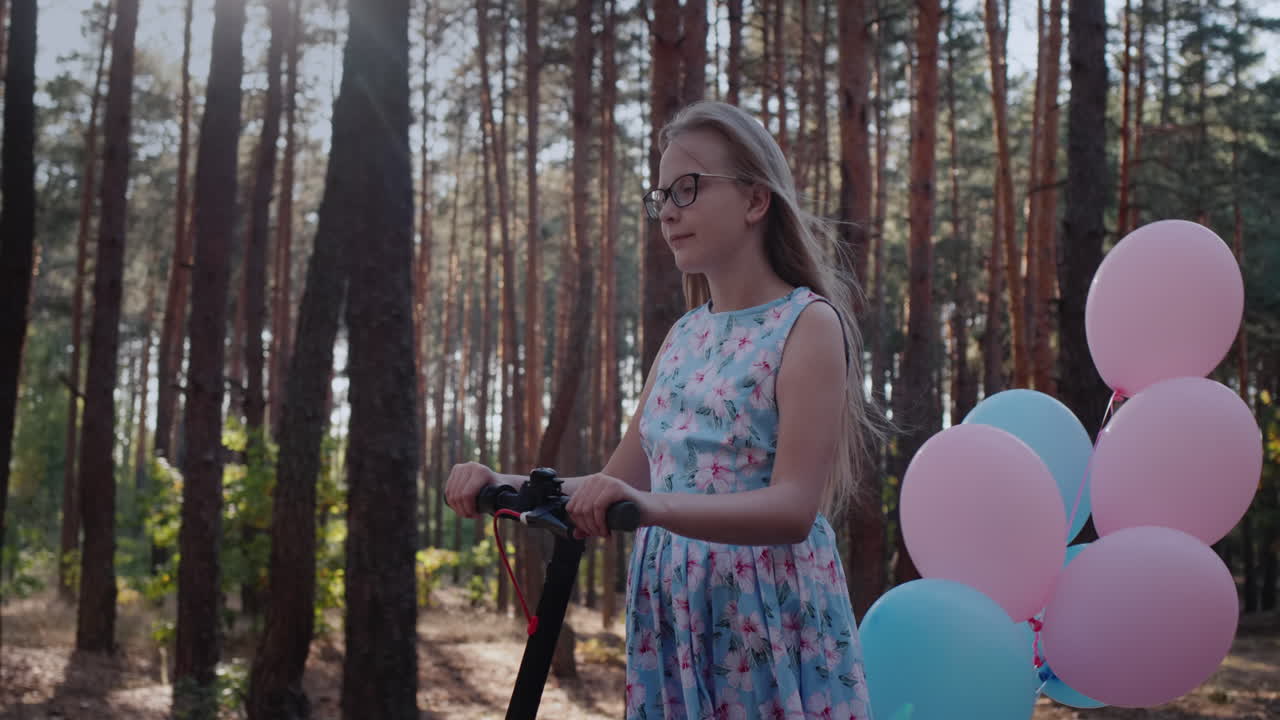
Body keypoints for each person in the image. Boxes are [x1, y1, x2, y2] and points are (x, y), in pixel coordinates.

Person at [446, 100, 881, 719]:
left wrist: (651, 510)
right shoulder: (683, 337)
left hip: (763, 619)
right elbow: (621, 479)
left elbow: (792, 508)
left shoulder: (806, 324)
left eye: (688, 189)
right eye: (661, 197)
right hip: (671, 614)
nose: (668, 212)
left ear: (757, 201)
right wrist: (511, 484)